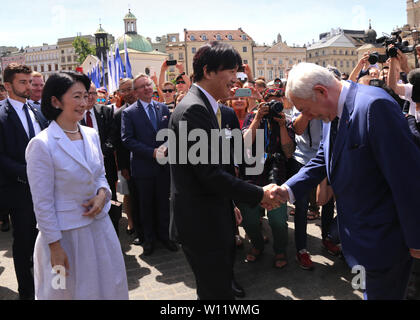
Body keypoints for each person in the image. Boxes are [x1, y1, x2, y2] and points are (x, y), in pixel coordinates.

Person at [276, 62, 420, 300]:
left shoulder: (374, 107)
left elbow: (406, 176)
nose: (307, 117)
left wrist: (416, 238)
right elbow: (323, 158)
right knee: (363, 291)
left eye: (306, 109)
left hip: (383, 244)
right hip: (355, 245)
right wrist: (288, 189)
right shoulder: (330, 111)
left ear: (321, 91)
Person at [168, 41, 283, 300]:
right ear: (208, 72)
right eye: (230, 71)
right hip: (202, 224)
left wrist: (229, 202)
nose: (236, 79)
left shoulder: (206, 106)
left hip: (211, 214)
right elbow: (209, 175)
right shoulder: (194, 110)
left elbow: (210, 168)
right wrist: (259, 194)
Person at [25, 71, 128, 300]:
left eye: (85, 96)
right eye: (77, 97)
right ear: (55, 101)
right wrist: (55, 247)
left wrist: (103, 195)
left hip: (99, 230)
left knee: (107, 287)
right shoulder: (41, 145)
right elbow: (42, 202)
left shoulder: (91, 135)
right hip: (64, 239)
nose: (84, 103)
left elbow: (100, 175)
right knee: (62, 290)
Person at [0, 63, 49, 300]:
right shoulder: (1, 115)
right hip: (20, 192)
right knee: (23, 246)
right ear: (8, 85)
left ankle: (51, 287)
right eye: (23, 82)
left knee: (49, 240)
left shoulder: (37, 111)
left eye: (30, 82)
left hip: (48, 190)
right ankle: (27, 293)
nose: (28, 86)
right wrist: (28, 172)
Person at [238, 90, 295, 270]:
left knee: (277, 218)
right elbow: (244, 143)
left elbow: (288, 152)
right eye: (270, 104)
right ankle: (257, 244)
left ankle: (280, 250)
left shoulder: (285, 121)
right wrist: (257, 119)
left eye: (278, 103)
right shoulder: (252, 117)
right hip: (252, 172)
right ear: (263, 104)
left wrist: (283, 126)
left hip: (275, 171)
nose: (274, 108)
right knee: (249, 217)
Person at [122, 74, 178, 256]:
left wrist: (166, 147)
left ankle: (165, 237)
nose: (147, 88)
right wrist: (151, 152)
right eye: (142, 86)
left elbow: (171, 133)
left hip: (163, 166)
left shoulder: (162, 108)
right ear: (136, 92)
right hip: (143, 167)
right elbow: (127, 140)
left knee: (163, 203)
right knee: (145, 205)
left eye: (149, 85)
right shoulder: (129, 113)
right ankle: (148, 239)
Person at [81, 83, 119, 236]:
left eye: (93, 93)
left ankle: (113, 234)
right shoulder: (75, 114)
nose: (90, 97)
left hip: (106, 165)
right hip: (84, 169)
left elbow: (113, 135)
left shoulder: (105, 111)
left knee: (110, 201)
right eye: (86, 93)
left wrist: (102, 153)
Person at [113, 78, 142, 244]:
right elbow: (119, 144)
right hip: (130, 165)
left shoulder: (150, 107)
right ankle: (136, 227)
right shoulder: (118, 114)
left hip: (149, 162)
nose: (128, 93)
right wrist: (123, 167)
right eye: (123, 90)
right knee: (133, 197)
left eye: (129, 88)